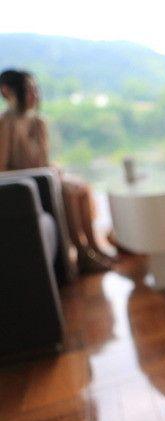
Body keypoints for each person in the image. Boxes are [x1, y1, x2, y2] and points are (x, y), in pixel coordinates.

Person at [0, 69, 115, 273]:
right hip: (29, 185)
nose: (34, 94)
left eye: (35, 89)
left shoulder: (38, 122)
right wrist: (44, 174)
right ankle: (82, 254)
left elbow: (43, 160)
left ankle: (95, 247)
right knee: (68, 191)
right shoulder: (4, 124)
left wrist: (53, 169)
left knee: (82, 186)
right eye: (27, 89)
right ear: (8, 92)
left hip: (46, 176)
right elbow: (3, 169)